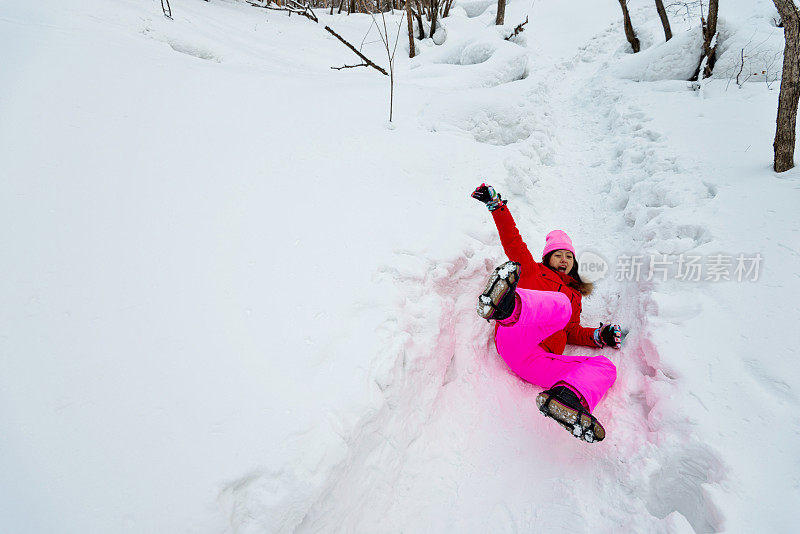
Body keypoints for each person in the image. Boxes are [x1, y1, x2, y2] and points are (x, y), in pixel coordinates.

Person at [472, 183, 622, 443]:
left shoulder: (575, 296)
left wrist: (598, 335)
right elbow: (512, 240)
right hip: (515, 335)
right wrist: (497, 207)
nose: (564, 260)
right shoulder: (533, 271)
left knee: (606, 367)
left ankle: (567, 399)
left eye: (568, 257)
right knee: (560, 306)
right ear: (548, 258)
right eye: (558, 255)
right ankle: (506, 307)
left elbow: (571, 329)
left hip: (537, 363)